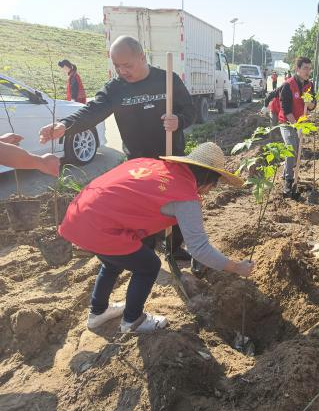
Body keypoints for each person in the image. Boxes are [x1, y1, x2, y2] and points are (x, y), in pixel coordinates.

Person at [58, 142, 254, 333]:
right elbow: (199, 249)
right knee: (149, 265)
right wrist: (237, 267)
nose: (211, 190)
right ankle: (132, 321)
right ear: (208, 179)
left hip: (78, 216)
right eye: (215, 185)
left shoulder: (151, 164)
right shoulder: (184, 196)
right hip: (99, 228)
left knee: (112, 263)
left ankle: (98, 313)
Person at [40, 35, 196, 261]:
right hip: (138, 163)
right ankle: (146, 251)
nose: (122, 71)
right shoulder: (115, 89)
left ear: (142, 57)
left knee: (175, 203)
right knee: (143, 209)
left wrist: (179, 121)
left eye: (127, 65)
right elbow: (92, 111)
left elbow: (190, 111)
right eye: (117, 66)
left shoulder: (167, 80)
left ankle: (173, 246)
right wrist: (65, 125)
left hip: (170, 157)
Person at [278, 57, 317, 197]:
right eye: (305, 68)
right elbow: (286, 110)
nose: (308, 71)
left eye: (309, 68)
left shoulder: (309, 85)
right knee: (291, 148)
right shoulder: (288, 85)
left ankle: (285, 173)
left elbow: (312, 106)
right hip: (287, 123)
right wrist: (296, 125)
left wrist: (309, 102)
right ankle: (288, 181)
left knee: (296, 153)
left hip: (301, 123)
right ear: (298, 69)